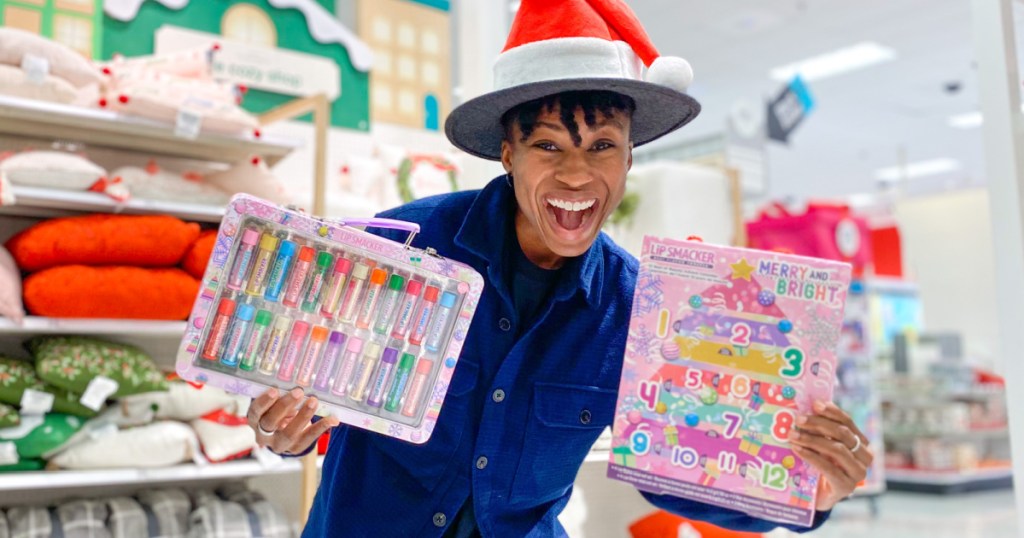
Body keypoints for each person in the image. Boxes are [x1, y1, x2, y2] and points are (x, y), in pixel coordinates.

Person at [247, 1, 874, 536]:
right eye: (549, 145)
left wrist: (801, 497)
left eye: (602, 146)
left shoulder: (642, 311)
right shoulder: (399, 249)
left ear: (629, 159)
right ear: (508, 154)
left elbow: (674, 470)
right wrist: (285, 430)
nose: (576, 174)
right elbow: (299, 399)